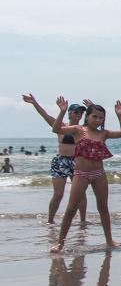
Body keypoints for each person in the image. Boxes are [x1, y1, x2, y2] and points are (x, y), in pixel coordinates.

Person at [50, 98, 121, 252]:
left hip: (99, 174)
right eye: (95, 117)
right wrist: (62, 111)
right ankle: (60, 242)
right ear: (88, 117)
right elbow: (56, 129)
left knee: (103, 208)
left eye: (101, 118)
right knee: (71, 209)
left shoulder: (103, 133)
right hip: (81, 174)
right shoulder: (78, 130)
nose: (98, 120)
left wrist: (119, 115)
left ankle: (109, 240)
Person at [21, 94, 89, 224]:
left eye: (81, 113)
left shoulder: (84, 129)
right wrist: (34, 103)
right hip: (61, 162)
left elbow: (97, 123)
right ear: (70, 113)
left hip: (78, 162)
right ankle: (50, 221)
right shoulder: (61, 126)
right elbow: (45, 115)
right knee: (58, 194)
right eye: (76, 112)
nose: (79, 114)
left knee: (80, 194)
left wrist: (91, 107)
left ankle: (83, 221)